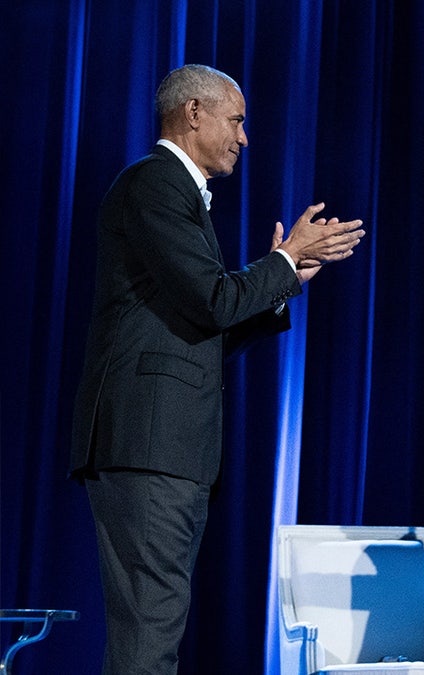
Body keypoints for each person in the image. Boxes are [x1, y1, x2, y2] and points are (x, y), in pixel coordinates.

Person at [70, 64, 365, 674]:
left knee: (150, 633)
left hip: (163, 450)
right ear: (193, 112)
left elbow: (202, 331)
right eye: (236, 120)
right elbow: (212, 300)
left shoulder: (176, 195)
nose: (245, 137)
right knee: (148, 638)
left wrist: (286, 284)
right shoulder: (154, 184)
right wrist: (283, 260)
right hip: (150, 447)